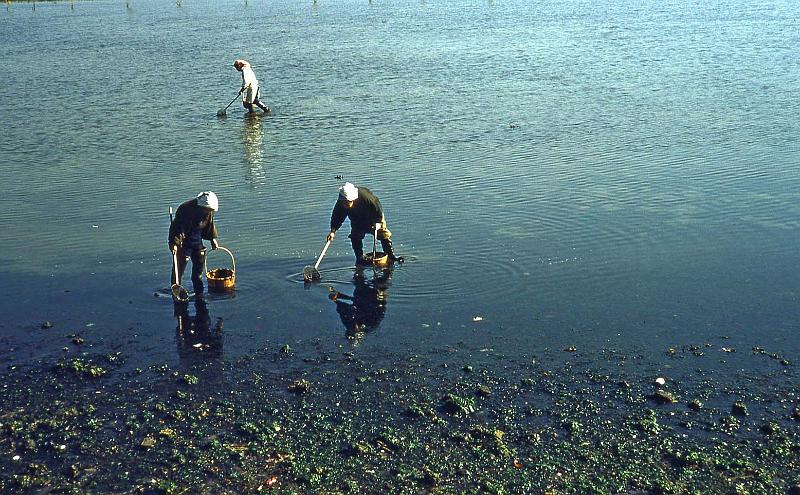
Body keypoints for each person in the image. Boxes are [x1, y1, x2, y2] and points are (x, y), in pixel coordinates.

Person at [327, 182, 401, 264]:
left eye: (347, 203)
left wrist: (378, 222)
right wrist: (333, 231)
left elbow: (377, 208)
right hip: (357, 219)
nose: (344, 206)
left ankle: (391, 257)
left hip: (373, 216)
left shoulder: (367, 198)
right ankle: (359, 258)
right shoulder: (341, 203)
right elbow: (337, 216)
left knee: (382, 234)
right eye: (343, 203)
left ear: (352, 200)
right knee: (355, 236)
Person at [168, 191, 221, 296]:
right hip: (184, 243)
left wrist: (212, 239)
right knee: (179, 271)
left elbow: (209, 225)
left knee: (197, 273)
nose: (209, 212)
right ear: (201, 207)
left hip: (197, 241)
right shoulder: (185, 210)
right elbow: (177, 229)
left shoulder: (208, 212)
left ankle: (199, 293)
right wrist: (174, 243)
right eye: (207, 210)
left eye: (210, 210)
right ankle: (176, 290)